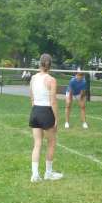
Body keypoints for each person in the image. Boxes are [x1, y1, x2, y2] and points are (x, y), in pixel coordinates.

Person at [29, 53, 62, 182]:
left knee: (37, 144)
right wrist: (56, 118)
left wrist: (35, 109)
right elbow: (53, 101)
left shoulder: (33, 78)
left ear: (39, 63)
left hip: (35, 111)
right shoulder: (51, 80)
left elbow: (31, 97)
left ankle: (35, 175)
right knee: (51, 143)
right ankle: (48, 173)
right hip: (46, 111)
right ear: (50, 65)